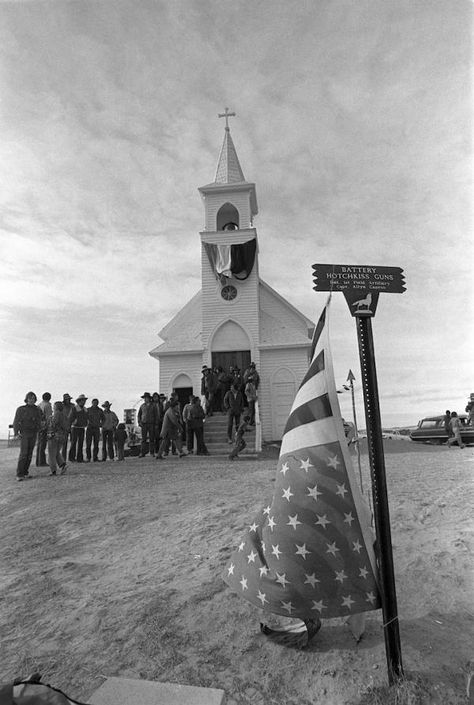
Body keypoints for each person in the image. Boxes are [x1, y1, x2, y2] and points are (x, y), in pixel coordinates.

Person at [13, 392, 44, 481]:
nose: (31, 400)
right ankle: (19, 474)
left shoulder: (37, 409)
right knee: (24, 454)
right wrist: (16, 433)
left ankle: (25, 472)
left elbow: (41, 420)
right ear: (26, 399)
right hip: (24, 433)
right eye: (30, 398)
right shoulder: (21, 409)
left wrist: (40, 428)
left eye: (33, 398)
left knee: (30, 454)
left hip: (33, 433)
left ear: (35, 399)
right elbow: (16, 421)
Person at [47, 401, 68, 475]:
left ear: (56, 407)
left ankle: (53, 470)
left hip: (54, 436)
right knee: (56, 453)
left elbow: (53, 424)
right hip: (61, 436)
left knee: (51, 454)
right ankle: (62, 465)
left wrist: (49, 419)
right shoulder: (64, 415)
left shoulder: (56, 414)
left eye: (54, 406)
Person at [69, 394, 88, 463]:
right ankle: (72, 458)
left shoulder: (85, 409)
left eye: (84, 400)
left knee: (81, 443)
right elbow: (70, 418)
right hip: (75, 428)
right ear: (79, 401)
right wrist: (73, 422)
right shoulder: (75, 408)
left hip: (82, 427)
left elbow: (87, 417)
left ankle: (80, 458)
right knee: (73, 443)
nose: (84, 402)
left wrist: (86, 423)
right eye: (83, 400)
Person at [138, 392, 157, 457]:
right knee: (144, 439)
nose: (145, 399)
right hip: (144, 424)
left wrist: (156, 423)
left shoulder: (153, 406)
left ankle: (152, 452)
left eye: (146, 398)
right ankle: (142, 452)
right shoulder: (142, 406)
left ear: (149, 398)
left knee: (152, 438)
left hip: (151, 423)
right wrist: (139, 422)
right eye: (145, 398)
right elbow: (139, 415)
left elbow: (156, 415)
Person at [36, 392, 52, 467]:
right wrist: (49, 427)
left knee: (39, 444)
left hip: (39, 426)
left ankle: (38, 461)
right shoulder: (48, 405)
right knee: (43, 445)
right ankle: (42, 462)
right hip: (44, 426)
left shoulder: (39, 405)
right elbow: (48, 417)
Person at [60, 393, 77, 461]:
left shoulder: (73, 406)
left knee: (73, 442)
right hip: (64, 426)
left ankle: (72, 457)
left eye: (69, 399)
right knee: (64, 443)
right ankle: (63, 458)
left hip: (72, 425)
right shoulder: (61, 406)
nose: (68, 400)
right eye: (67, 399)